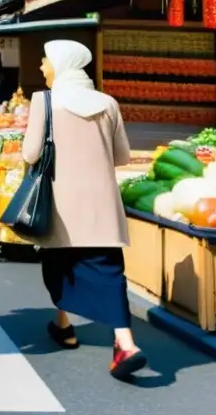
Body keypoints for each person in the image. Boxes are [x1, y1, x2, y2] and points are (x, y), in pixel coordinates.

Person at [21, 40, 147, 379]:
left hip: (59, 206)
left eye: (45, 60)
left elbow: (31, 154)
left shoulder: (43, 101)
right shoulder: (107, 103)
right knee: (107, 271)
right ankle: (119, 340)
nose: (42, 67)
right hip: (102, 205)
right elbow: (122, 156)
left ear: (61, 64)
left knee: (58, 266)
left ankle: (78, 330)